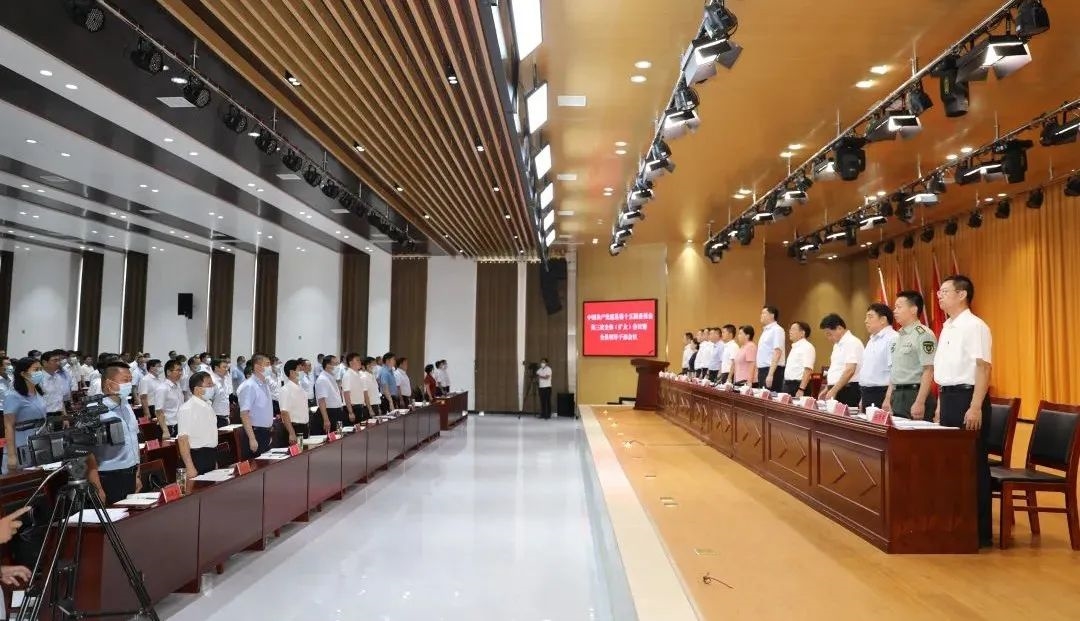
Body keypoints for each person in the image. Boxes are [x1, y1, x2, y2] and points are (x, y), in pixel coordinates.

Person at [934, 275, 993, 548]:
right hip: (948, 398)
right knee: (951, 466)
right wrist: (939, 405)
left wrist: (975, 406)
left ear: (962, 294)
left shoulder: (975, 326)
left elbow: (983, 367)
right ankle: (954, 525)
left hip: (968, 399)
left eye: (945, 291)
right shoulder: (947, 326)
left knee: (972, 466)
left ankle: (979, 533)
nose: (939, 295)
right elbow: (944, 372)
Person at [86, 362, 142, 504]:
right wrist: (97, 488)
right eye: (125, 380)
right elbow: (87, 453)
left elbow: (134, 439)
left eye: (130, 380)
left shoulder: (125, 404)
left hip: (130, 473)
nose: (129, 384)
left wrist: (137, 474)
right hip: (108, 477)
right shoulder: (94, 410)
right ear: (108, 383)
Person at [885, 291, 938, 420]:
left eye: (899, 307)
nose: (895, 311)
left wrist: (920, 402)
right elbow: (895, 371)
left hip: (914, 394)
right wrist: (887, 398)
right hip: (897, 395)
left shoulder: (923, 334)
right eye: (895, 307)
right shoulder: (897, 337)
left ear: (913, 309)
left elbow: (929, 370)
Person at [2, 358, 47, 473]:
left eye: (40, 369)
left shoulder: (38, 392)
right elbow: (8, 426)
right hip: (20, 446)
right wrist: (12, 456)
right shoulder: (13, 396)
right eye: (36, 370)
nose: (39, 372)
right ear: (23, 373)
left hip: (38, 444)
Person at [177, 372, 220, 475]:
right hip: (197, 457)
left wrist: (214, 460)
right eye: (209, 384)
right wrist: (190, 467)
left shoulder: (208, 405)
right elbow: (183, 440)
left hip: (211, 454)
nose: (212, 387)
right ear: (197, 389)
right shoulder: (187, 408)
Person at [819, 314, 864, 408]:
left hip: (847, 389)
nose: (828, 338)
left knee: (844, 416)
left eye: (829, 334)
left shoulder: (851, 342)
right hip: (838, 388)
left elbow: (850, 370)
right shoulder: (837, 345)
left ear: (839, 328)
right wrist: (828, 387)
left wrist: (834, 390)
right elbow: (837, 369)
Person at [860, 303, 898, 410]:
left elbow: (895, 370)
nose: (866, 321)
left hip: (883, 393)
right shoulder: (872, 340)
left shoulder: (893, 338)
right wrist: (862, 398)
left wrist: (888, 398)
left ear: (883, 320)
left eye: (870, 317)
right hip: (867, 393)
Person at [238, 354, 275, 458]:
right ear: (258, 367)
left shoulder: (265, 384)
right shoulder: (249, 385)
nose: (270, 367)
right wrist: (252, 438)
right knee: (256, 465)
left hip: (265, 432)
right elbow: (244, 414)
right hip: (256, 433)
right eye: (267, 364)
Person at [756, 306, 787, 392]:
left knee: (770, 397)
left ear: (772, 315)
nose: (761, 315)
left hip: (772, 370)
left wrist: (770, 374)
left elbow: (777, 352)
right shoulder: (766, 331)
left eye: (764, 313)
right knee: (762, 397)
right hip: (763, 370)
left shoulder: (777, 330)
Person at [153, 359, 185, 440]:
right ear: (168, 372)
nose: (180, 373)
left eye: (181, 370)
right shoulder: (162, 388)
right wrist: (165, 431)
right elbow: (158, 411)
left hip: (179, 425)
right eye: (178, 370)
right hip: (168, 427)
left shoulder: (177, 386)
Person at [782, 322, 816, 397]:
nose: (790, 331)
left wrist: (801, 389)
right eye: (790, 329)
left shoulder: (807, 347)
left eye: (793, 329)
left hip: (798, 386)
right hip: (788, 385)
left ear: (802, 333)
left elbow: (808, 370)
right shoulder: (794, 347)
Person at [277, 360, 307, 442]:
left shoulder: (300, 388)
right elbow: (284, 413)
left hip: (304, 426)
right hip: (294, 427)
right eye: (299, 369)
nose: (302, 372)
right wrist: (291, 432)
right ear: (292, 372)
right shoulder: (285, 389)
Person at [39, 350, 69, 429]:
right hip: (44, 416)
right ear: (44, 362)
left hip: (58, 415)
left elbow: (60, 399)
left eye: (59, 360)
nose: (58, 363)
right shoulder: (39, 379)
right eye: (55, 360)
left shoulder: (58, 377)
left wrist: (65, 417)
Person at [314, 355, 343, 434]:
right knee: (330, 437)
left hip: (336, 411)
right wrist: (326, 419)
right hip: (329, 412)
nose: (338, 366)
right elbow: (321, 401)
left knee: (338, 436)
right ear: (327, 365)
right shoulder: (322, 379)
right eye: (336, 364)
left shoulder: (331, 377)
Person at [342, 353, 371, 424]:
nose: (360, 362)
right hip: (352, 408)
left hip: (359, 406)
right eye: (357, 360)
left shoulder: (359, 374)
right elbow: (346, 394)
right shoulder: (348, 375)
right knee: (352, 429)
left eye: (360, 360)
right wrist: (350, 412)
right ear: (351, 363)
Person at [210, 358, 234, 427]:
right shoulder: (211, 381)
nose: (226, 369)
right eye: (224, 367)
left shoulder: (225, 379)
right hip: (215, 417)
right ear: (216, 368)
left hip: (225, 416)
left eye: (227, 367)